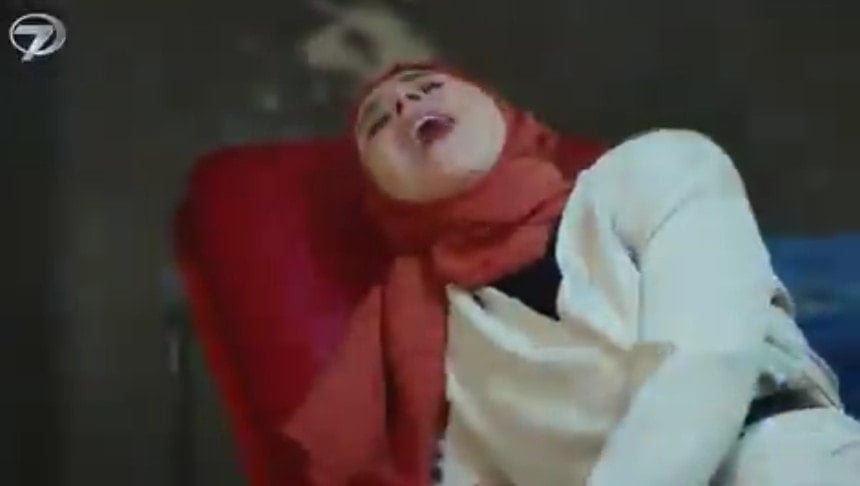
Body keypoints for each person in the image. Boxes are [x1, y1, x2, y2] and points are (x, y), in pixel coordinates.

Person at [281, 63, 860, 485]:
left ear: (501, 112)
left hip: (773, 453)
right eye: (377, 122)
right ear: (384, 199)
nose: (405, 102)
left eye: (428, 86)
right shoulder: (433, 338)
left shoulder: (657, 167)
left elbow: (707, 360)